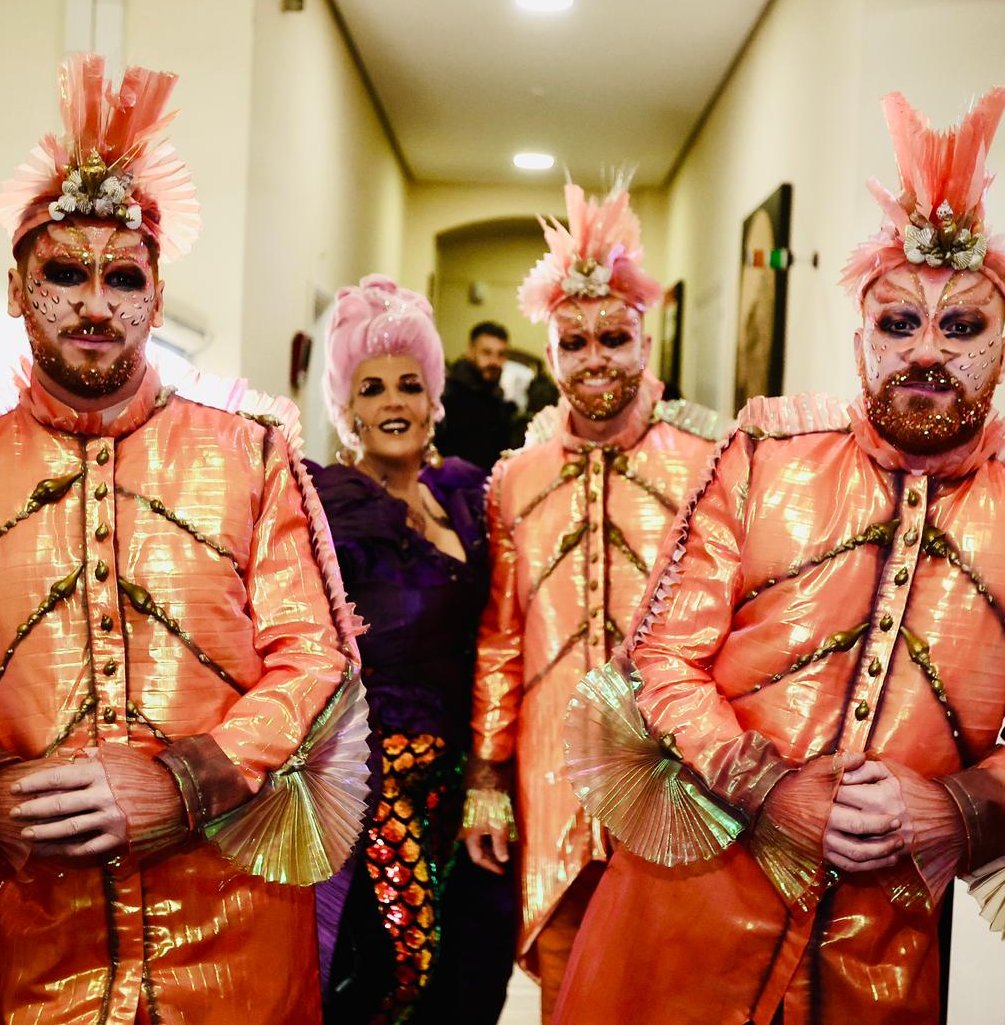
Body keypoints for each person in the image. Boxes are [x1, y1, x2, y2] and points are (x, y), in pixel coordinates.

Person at [552, 88, 1005, 1024]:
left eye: (961, 329)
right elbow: (662, 660)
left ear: (1002, 351)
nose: (927, 351)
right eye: (897, 324)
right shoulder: (761, 461)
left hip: (879, 943)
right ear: (860, 339)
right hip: (687, 908)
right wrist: (769, 786)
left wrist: (953, 808)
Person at [0, 53, 365, 1023]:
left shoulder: (249, 456)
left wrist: (188, 779)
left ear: (156, 296)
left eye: (123, 279)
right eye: (62, 275)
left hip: (237, 911)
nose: (95, 305)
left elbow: (316, 659)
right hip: (53, 921)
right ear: (17, 289)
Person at [459, 177, 728, 1019]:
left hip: (677, 775)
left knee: (676, 986)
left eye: (615, 336)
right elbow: (502, 636)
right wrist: (486, 775)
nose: (596, 358)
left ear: (648, 340)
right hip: (549, 776)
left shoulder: (709, 465)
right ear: (551, 352)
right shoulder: (517, 480)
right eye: (575, 341)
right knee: (569, 989)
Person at [310, 274, 515, 1025]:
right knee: (388, 978)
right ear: (347, 409)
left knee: (470, 975)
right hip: (376, 792)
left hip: (469, 784)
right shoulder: (329, 507)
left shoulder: (465, 495)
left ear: (435, 400)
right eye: (372, 389)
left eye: (409, 384)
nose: (393, 402)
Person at [435, 321, 517, 469]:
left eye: (501, 354)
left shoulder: (498, 400)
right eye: (487, 352)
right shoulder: (446, 395)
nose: (494, 361)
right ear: (471, 351)